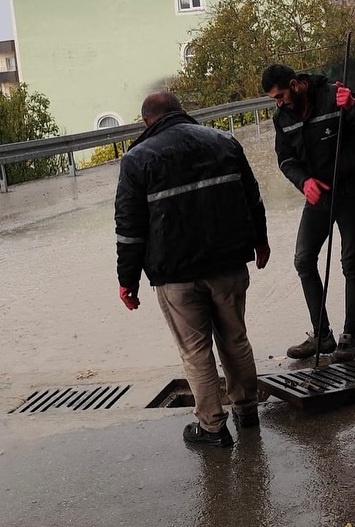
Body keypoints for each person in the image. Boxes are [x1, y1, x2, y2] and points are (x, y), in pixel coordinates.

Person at [114, 91, 270, 449]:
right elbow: (253, 198)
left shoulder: (137, 160)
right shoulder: (224, 142)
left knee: (196, 350)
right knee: (235, 339)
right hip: (228, 264)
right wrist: (260, 241)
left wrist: (128, 281)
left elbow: (129, 229)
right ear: (181, 112)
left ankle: (213, 428)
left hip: (176, 275)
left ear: (146, 122)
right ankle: (247, 411)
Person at [260, 64, 355, 363]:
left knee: (349, 262)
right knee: (304, 260)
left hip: (350, 192)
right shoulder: (283, 118)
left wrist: (353, 108)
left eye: (280, 96)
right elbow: (286, 160)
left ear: (295, 84)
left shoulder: (336, 95)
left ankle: (349, 337)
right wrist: (304, 182)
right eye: (274, 100)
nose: (279, 103)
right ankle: (323, 335)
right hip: (317, 196)